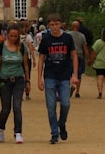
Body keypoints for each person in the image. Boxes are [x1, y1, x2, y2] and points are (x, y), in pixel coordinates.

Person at [36, 13, 77, 145]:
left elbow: (74, 56)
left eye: (56, 24)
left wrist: (75, 74)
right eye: (52, 25)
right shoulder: (46, 39)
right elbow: (41, 59)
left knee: (66, 104)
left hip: (64, 76)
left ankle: (62, 123)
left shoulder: (68, 38)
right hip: (50, 76)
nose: (54, 27)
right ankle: (54, 133)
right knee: (51, 106)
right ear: (48, 25)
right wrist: (39, 79)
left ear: (61, 24)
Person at [0, 22, 30, 144]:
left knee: (17, 107)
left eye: (16, 36)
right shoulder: (0, 47)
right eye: (11, 36)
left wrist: (28, 81)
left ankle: (18, 133)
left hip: (18, 80)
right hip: (5, 81)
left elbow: (25, 65)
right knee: (6, 108)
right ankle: (1, 128)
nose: (13, 38)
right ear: (7, 35)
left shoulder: (22, 47)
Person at [67, 21, 90, 98]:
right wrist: (88, 58)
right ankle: (77, 92)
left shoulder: (68, 35)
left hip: (69, 56)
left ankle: (71, 85)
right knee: (78, 74)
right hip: (79, 56)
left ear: (72, 26)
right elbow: (85, 48)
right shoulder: (82, 36)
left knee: (69, 73)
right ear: (78, 27)